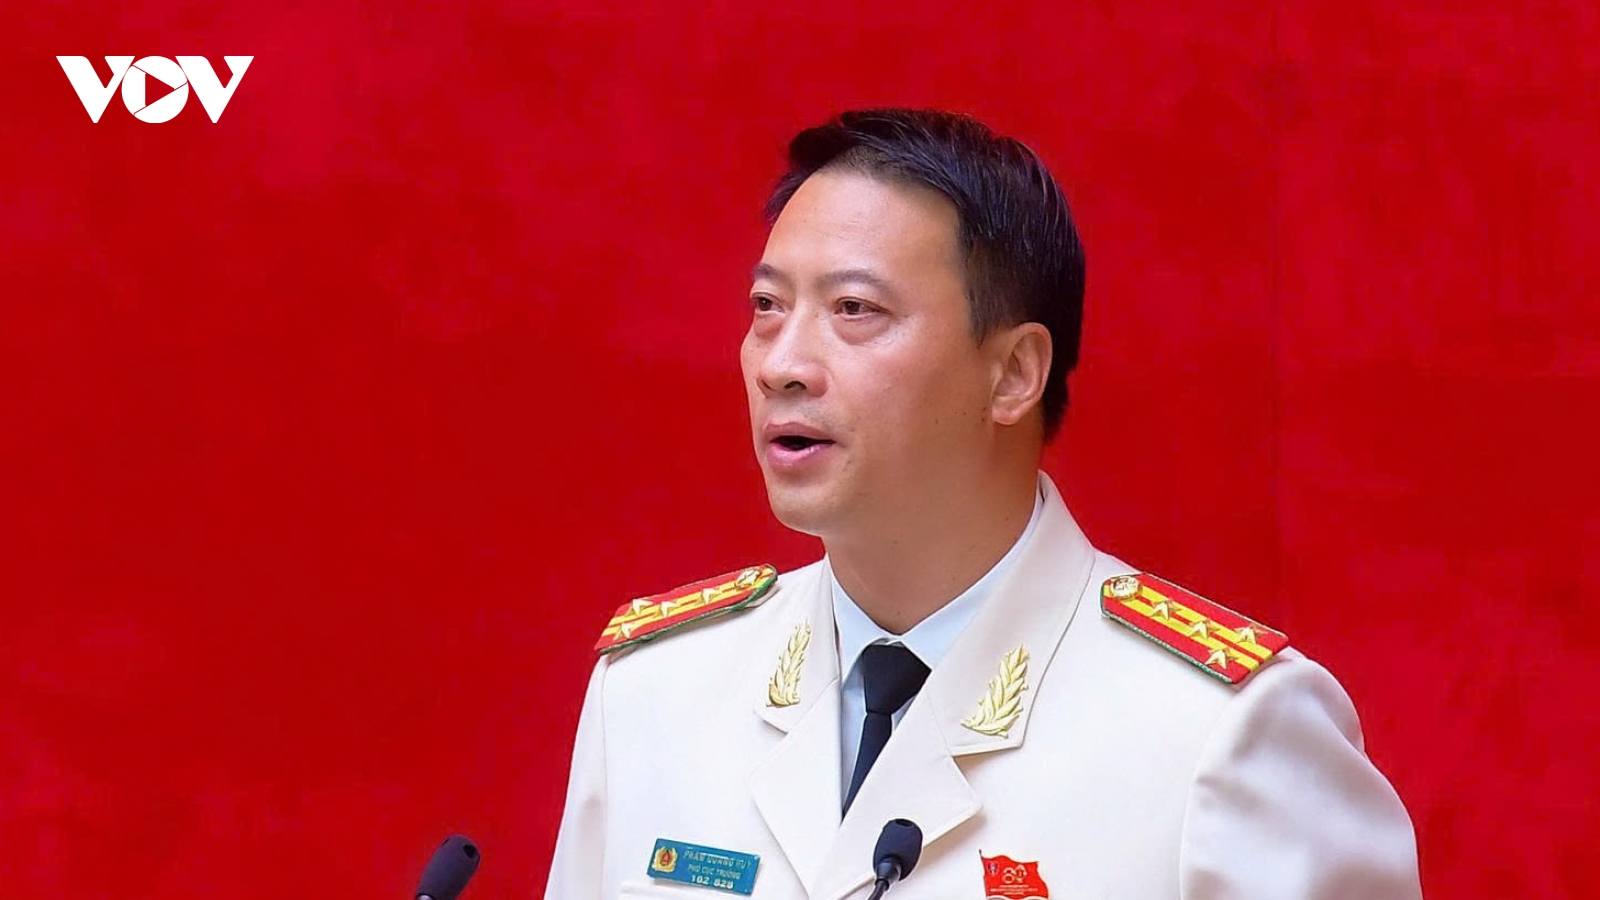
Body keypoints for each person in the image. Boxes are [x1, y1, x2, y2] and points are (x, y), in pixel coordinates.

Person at [543, 109, 1422, 900]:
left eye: (855, 309)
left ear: (1013, 374)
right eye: (768, 306)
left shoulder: (1218, 735)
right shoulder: (657, 694)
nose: (782, 364)